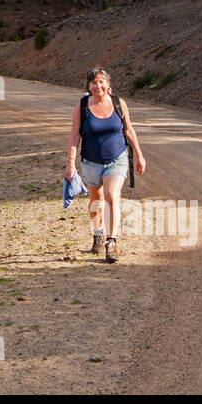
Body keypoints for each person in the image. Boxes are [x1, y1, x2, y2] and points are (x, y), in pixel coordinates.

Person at [65, 67, 147, 262]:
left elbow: (129, 131)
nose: (98, 86)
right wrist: (71, 163)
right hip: (91, 161)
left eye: (101, 82)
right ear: (89, 86)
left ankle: (112, 241)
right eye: (93, 83)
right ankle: (98, 234)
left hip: (116, 159)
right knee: (96, 199)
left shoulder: (119, 103)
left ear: (108, 84)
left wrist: (139, 154)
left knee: (111, 195)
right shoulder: (82, 106)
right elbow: (75, 136)